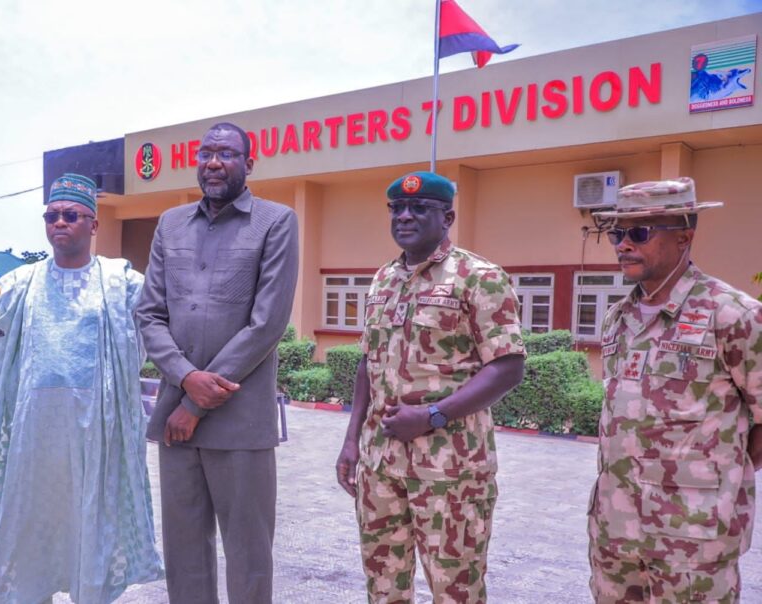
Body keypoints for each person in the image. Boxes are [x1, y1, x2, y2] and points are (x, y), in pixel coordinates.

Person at [336, 171, 525, 603]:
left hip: (451, 469)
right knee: (383, 582)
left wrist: (431, 416)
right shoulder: (383, 279)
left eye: (419, 208)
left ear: (447, 217)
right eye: (396, 209)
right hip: (381, 463)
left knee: (456, 586)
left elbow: (508, 367)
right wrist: (351, 442)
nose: (405, 216)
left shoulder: (478, 276)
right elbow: (369, 360)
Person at [137, 122, 299, 604]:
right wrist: (185, 380)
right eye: (206, 153)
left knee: (248, 555)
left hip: (240, 422)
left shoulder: (276, 221)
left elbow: (267, 324)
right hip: (176, 423)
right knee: (184, 553)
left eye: (226, 154)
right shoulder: (170, 223)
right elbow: (149, 312)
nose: (213, 162)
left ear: (249, 164)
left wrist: (197, 402)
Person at [587, 177, 762, 602]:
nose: (623, 244)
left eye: (640, 232)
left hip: (693, 542)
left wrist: (722, 476)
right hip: (616, 532)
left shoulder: (733, 316)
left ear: (684, 236)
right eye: (616, 233)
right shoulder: (618, 317)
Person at [0, 173, 163, 603]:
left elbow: (159, 330)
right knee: (32, 530)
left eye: (71, 215)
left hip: (98, 439)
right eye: (52, 216)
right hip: (33, 441)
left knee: (91, 527)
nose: (59, 223)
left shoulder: (122, 282)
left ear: (93, 224)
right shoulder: (20, 284)